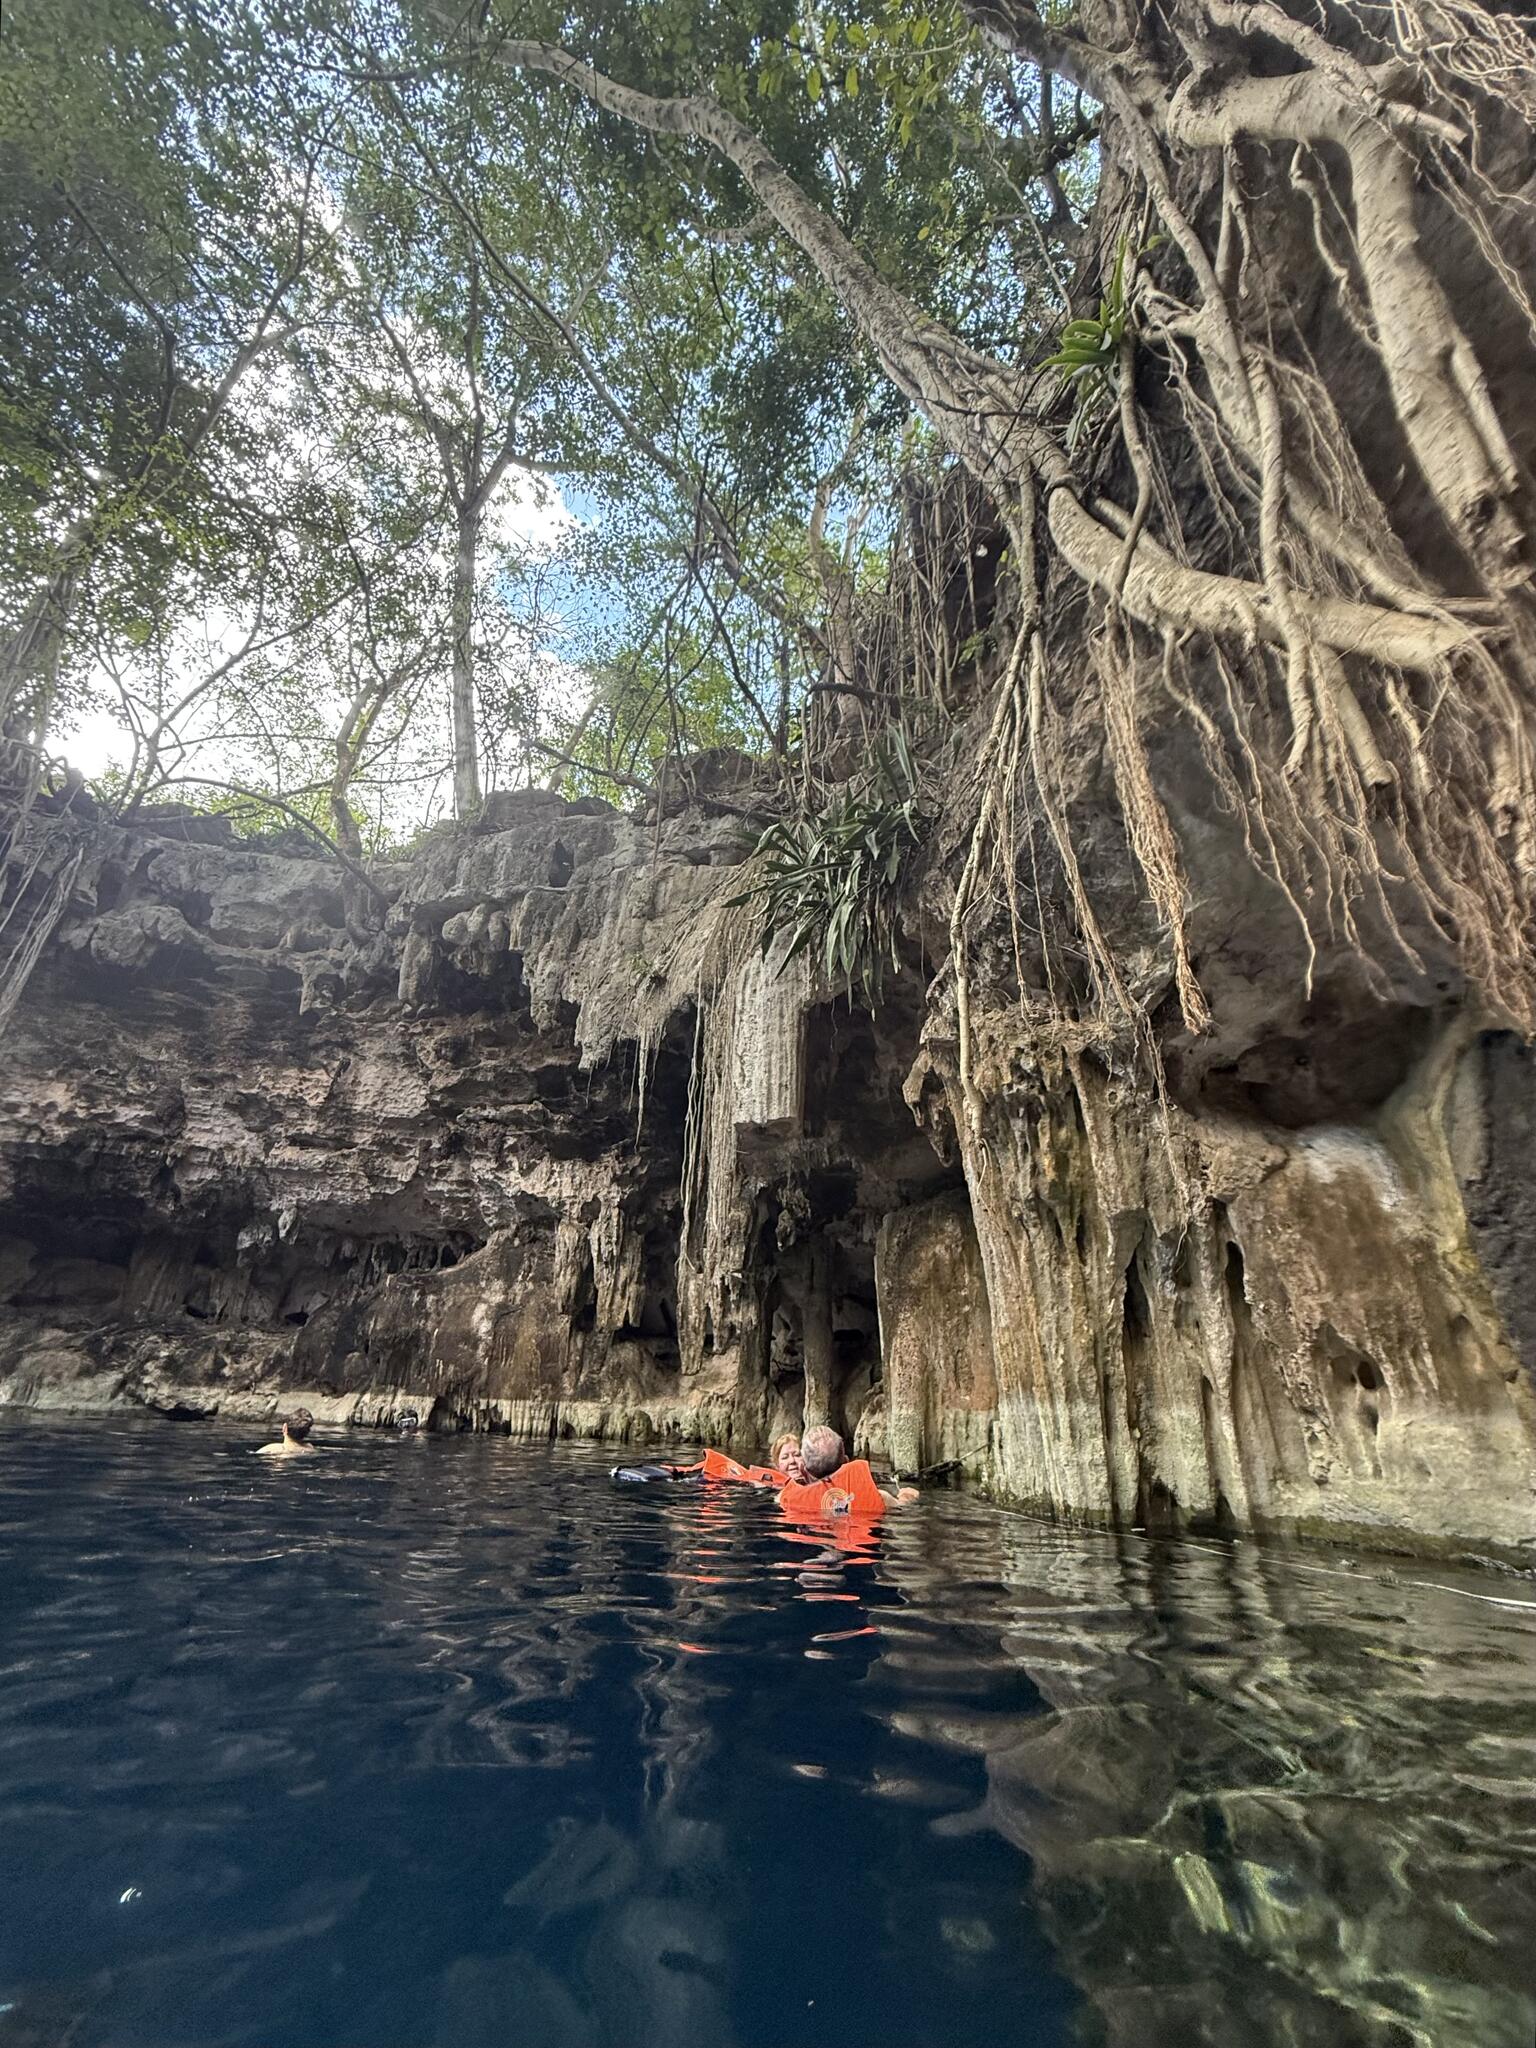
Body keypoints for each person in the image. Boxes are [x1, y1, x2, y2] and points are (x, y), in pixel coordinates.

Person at [778, 1426, 919, 1518]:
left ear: (803, 1469)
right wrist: (908, 1497)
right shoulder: (882, 1498)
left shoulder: (784, 1500)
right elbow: (903, 1508)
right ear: (846, 1462)